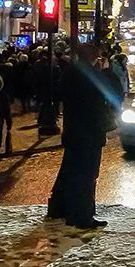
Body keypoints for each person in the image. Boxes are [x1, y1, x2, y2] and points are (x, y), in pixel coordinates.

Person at [47, 45, 119, 229]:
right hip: (89, 132)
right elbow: (113, 92)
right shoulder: (89, 75)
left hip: (74, 131)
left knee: (72, 171)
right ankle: (81, 215)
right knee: (85, 175)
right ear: (94, 57)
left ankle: (62, 208)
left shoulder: (71, 72)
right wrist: (105, 71)